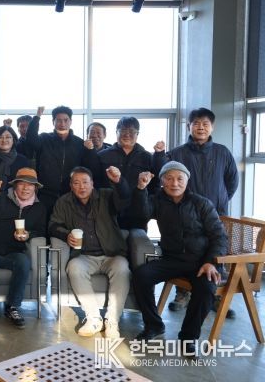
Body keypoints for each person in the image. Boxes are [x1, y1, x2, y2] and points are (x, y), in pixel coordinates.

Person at [131, 161, 227, 354]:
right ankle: (154, 325)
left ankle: (188, 338)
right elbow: (140, 214)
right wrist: (141, 189)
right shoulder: (158, 200)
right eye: (169, 178)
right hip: (172, 259)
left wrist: (210, 262)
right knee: (141, 275)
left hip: (201, 261)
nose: (175, 183)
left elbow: (220, 236)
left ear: (187, 181)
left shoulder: (201, 203)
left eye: (179, 179)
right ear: (162, 181)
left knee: (206, 288)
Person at [154, 108, 239, 315]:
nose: (201, 127)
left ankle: (215, 296)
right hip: (184, 211)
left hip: (216, 211)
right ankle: (182, 293)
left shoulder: (222, 152)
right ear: (189, 127)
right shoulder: (177, 153)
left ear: (212, 127)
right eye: (196, 123)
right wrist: (158, 155)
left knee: (217, 248)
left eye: (205, 124)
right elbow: (162, 176)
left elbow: (232, 180)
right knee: (185, 248)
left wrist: (220, 199)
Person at [49, 166, 131, 338]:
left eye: (85, 182)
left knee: (122, 268)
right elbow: (53, 225)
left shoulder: (106, 196)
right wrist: (66, 235)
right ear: (71, 185)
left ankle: (112, 321)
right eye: (76, 183)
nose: (81, 187)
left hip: (111, 254)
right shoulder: (63, 202)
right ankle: (94, 318)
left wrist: (118, 182)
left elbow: (124, 200)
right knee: (74, 267)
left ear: (92, 184)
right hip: (84, 255)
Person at [0, 168, 47, 328]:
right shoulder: (2, 197)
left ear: (35, 188)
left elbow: (41, 230)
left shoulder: (39, 207)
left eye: (30, 185)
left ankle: (12, 306)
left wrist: (28, 235)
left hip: (14, 250)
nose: (26, 188)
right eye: (22, 184)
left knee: (23, 262)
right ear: (15, 185)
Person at [23, 105, 99, 217]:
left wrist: (90, 150)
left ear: (70, 122)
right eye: (58, 120)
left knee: (68, 223)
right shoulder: (44, 138)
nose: (62, 124)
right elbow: (31, 139)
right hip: (46, 194)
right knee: (44, 222)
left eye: (65, 120)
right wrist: (37, 117)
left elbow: (90, 167)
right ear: (53, 122)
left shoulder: (79, 143)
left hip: (71, 194)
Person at [96, 116, 162, 231]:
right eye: (123, 130)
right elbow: (96, 183)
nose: (127, 134)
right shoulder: (102, 155)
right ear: (116, 132)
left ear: (137, 134)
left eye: (131, 131)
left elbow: (156, 184)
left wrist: (148, 206)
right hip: (109, 212)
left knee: (138, 241)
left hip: (138, 213)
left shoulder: (147, 157)